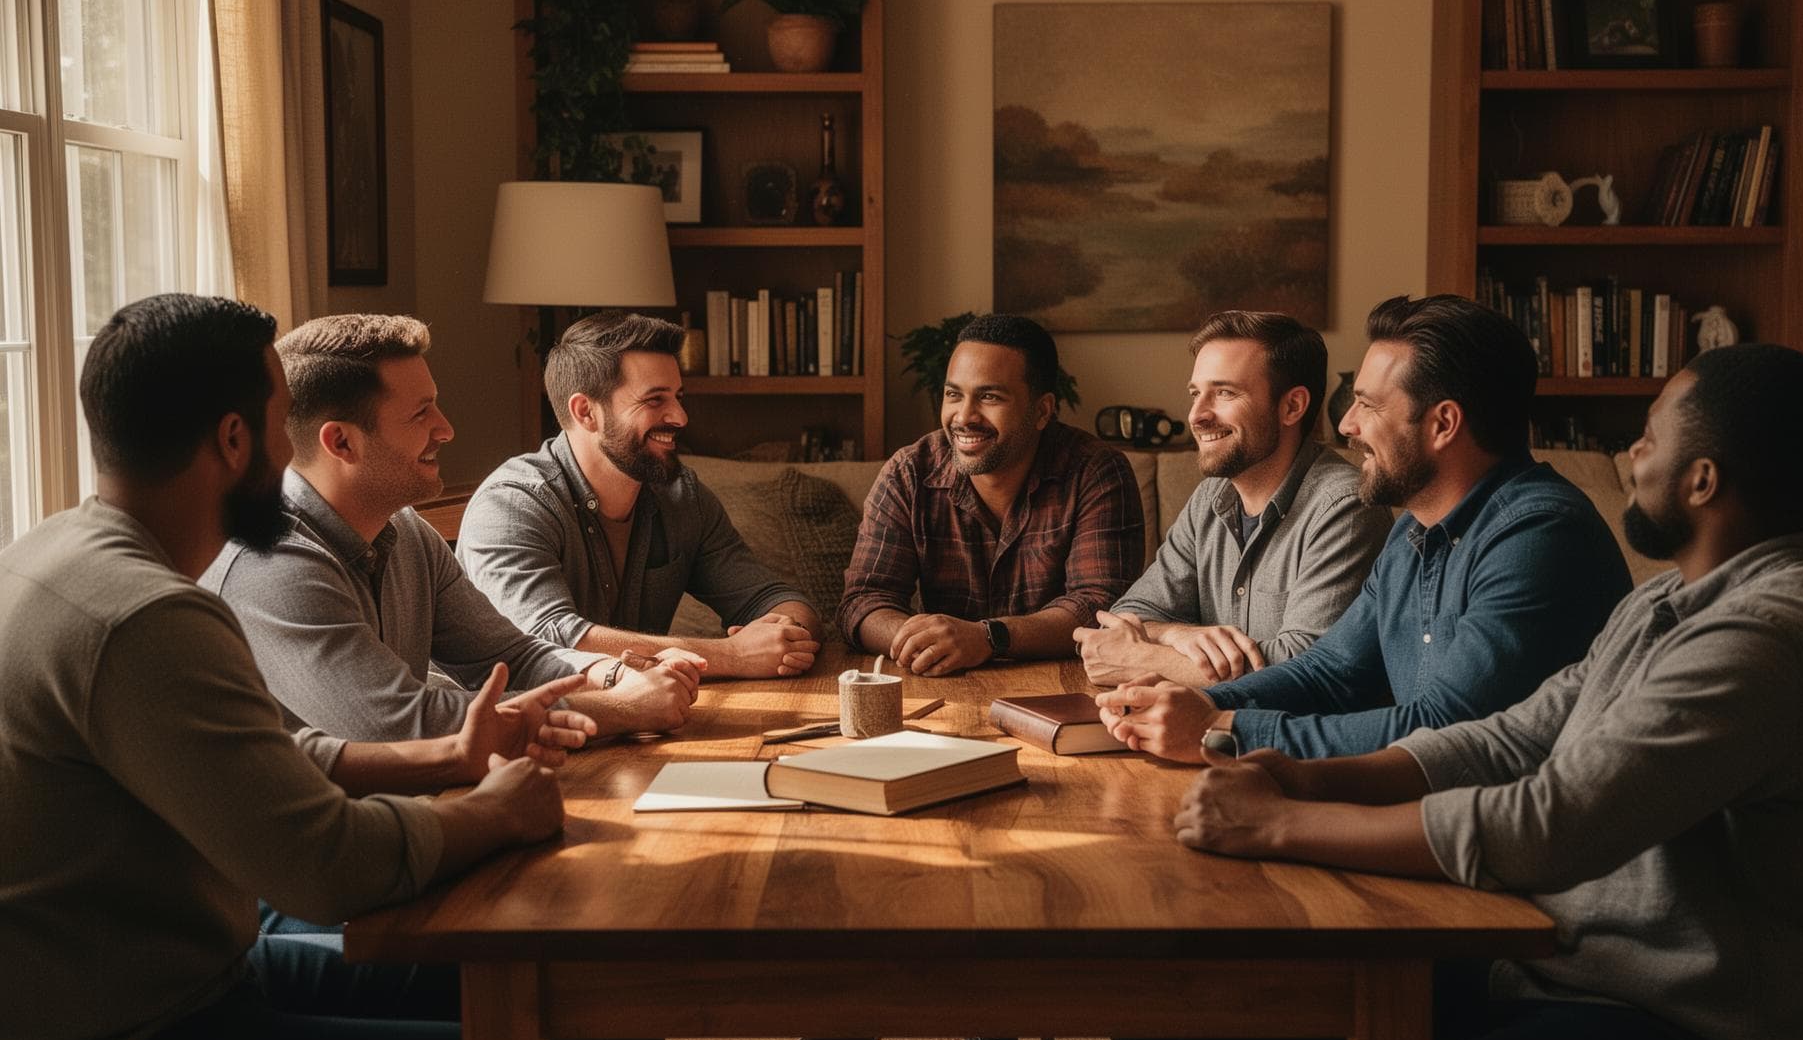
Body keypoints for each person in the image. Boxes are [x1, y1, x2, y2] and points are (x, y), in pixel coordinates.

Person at [1163, 344, 1803, 1040]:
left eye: (1650, 435)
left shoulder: (1765, 639)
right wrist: (1307, 776)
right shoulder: (1664, 602)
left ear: (1701, 481)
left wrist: (1283, 824)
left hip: (1681, 1023)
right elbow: (1507, 740)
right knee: (1182, 1020)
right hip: (1555, 970)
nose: (1632, 451)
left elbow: (1550, 824)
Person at [0, 294, 587, 1040]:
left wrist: (448, 757)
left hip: (209, 970)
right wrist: (494, 813)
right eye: (284, 427)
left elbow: (267, 754)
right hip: (144, 1028)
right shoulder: (147, 619)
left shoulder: (49, 552)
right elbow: (327, 867)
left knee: (573, 989)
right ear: (235, 440)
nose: (296, 455)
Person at [1098, 295, 1630, 762]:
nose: (1347, 425)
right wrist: (1204, 703)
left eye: (1369, 405)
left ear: (1443, 424)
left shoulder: (1538, 537)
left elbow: (1445, 729)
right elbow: (1329, 672)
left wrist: (1225, 731)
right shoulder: (1416, 531)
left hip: (1514, 851)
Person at [203, 314, 701, 742]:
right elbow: (397, 725)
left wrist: (610, 671)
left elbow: (509, 656)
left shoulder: (406, 531)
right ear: (341, 443)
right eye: (421, 414)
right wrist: (619, 709)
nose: (445, 429)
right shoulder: (272, 561)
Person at [458, 311, 821, 679]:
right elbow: (547, 641)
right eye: (654, 400)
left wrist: (789, 637)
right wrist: (733, 655)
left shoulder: (682, 497)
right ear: (586, 412)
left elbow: (769, 597)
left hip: (646, 715)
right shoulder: (511, 504)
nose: (679, 416)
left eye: (678, 397)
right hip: (515, 725)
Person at [1074, 311, 1390, 687]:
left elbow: (1304, 670)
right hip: (1203, 730)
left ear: (1292, 407)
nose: (1196, 415)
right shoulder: (1210, 496)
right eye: (1196, 393)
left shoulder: (1345, 507)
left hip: (1300, 742)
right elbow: (1127, 614)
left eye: (1224, 393)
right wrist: (1179, 634)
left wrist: (1140, 655)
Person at [837, 313, 1145, 676]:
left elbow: (1099, 607)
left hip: (1062, 687)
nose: (964, 416)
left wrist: (987, 638)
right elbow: (863, 601)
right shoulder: (909, 472)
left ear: (1042, 411)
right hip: (940, 683)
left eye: (989, 397)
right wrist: (922, 641)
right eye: (954, 394)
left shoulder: (1096, 471)